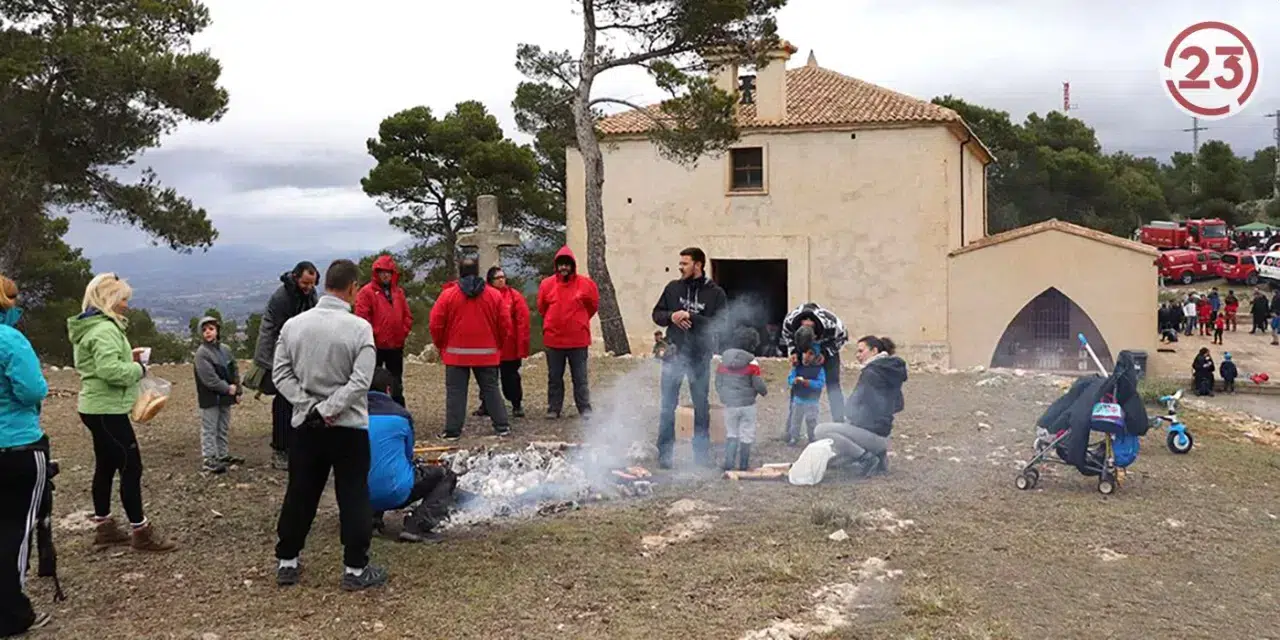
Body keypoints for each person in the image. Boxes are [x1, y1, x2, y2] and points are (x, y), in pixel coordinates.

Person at [271, 259, 386, 591]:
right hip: (348, 426)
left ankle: (287, 561)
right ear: (353, 288)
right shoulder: (359, 328)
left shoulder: (293, 326)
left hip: (306, 426)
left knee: (300, 493)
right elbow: (361, 381)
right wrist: (330, 409)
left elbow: (281, 374)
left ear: (325, 286)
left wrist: (309, 407)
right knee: (352, 495)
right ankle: (355, 568)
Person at [67, 273, 176, 552]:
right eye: (123, 299)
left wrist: (127, 359)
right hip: (108, 409)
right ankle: (141, 531)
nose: (127, 305)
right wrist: (139, 369)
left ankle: (105, 527)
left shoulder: (91, 327)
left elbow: (101, 365)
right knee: (131, 466)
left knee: (105, 465)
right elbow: (109, 371)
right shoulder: (104, 330)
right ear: (110, 299)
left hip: (95, 407)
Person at [0, 275, 53, 635]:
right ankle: (12, 612)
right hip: (19, 445)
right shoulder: (10, 340)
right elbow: (34, 389)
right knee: (16, 533)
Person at [652, 247, 727, 468]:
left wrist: (692, 316)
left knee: (701, 406)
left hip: (699, 356)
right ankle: (664, 453)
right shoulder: (673, 288)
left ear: (698, 265)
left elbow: (721, 324)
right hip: (673, 355)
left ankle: (701, 454)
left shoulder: (715, 293)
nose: (680, 267)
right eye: (680, 263)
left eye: (685, 264)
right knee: (667, 405)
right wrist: (672, 316)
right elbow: (657, 314)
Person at [366, 368, 458, 543]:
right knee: (445, 475)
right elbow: (407, 456)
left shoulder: (349, 415)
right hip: (394, 492)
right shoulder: (400, 415)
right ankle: (417, 526)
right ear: (388, 390)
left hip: (355, 494)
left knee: (370, 464)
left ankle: (370, 520)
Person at [429, 258, 512, 440]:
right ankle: (502, 426)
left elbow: (436, 323)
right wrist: (497, 344)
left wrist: (441, 345)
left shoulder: (448, 295)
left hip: (455, 353)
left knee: (456, 393)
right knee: (491, 389)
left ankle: (452, 431)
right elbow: (505, 324)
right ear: (478, 271)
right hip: (487, 352)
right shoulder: (494, 295)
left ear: (460, 272)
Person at [251, 262, 319, 470]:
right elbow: (283, 330)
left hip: (296, 351)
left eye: (312, 283)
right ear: (296, 277)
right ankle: (280, 448)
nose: (308, 286)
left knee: (299, 397)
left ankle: (296, 443)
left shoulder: (311, 295)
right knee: (283, 399)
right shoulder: (282, 297)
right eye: (305, 282)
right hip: (276, 351)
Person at [813, 336, 907, 477]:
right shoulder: (889, 371)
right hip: (883, 435)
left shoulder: (871, 373)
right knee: (835, 462)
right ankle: (878, 456)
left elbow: (857, 404)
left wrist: (851, 420)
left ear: (874, 351)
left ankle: (867, 459)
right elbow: (898, 405)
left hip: (872, 435)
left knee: (820, 430)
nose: (857, 355)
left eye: (861, 351)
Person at [537, 247, 599, 419]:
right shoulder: (546, 284)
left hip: (578, 340)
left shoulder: (586, 284)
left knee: (580, 378)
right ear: (556, 266)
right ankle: (554, 408)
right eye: (561, 264)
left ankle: (584, 407)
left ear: (573, 265)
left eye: (567, 264)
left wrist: (580, 322)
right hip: (554, 340)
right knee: (554, 377)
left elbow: (593, 306)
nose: (564, 267)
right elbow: (542, 307)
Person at [355, 254, 413, 407]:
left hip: (396, 344)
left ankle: (398, 409)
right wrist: (373, 336)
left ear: (393, 274)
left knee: (396, 380)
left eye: (388, 272)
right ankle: (373, 410)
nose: (385, 275)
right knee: (374, 380)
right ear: (376, 273)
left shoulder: (398, 292)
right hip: (376, 346)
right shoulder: (366, 292)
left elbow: (407, 315)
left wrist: (403, 332)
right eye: (382, 272)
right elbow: (362, 319)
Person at [473, 267, 530, 419]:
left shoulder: (514, 296)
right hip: (489, 345)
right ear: (490, 280)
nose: (501, 280)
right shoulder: (483, 296)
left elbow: (522, 321)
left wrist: (521, 345)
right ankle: (486, 404)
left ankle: (516, 404)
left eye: (503, 277)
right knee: (487, 378)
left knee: (510, 377)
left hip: (509, 347)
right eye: (497, 278)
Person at [780, 302, 848, 422]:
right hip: (801, 345)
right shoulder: (789, 322)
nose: (807, 356)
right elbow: (787, 336)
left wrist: (826, 353)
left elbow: (843, 337)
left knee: (833, 384)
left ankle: (839, 422)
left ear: (816, 335)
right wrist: (794, 352)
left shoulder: (832, 324)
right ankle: (791, 427)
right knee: (798, 383)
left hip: (828, 346)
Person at [193, 316, 243, 474]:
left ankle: (222, 455)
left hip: (226, 397)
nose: (208, 332)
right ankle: (209, 459)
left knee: (222, 427)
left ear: (217, 330)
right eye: (204, 330)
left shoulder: (226, 350)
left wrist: (238, 391)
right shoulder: (201, 354)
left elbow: (234, 370)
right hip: (210, 398)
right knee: (209, 428)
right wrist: (228, 389)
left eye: (211, 329)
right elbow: (209, 379)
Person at [714, 327, 768, 471]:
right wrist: (764, 391)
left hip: (730, 404)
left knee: (731, 432)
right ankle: (744, 465)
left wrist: (723, 396)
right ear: (753, 344)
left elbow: (718, 383)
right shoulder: (752, 362)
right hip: (747, 404)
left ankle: (729, 464)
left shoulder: (723, 361)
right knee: (747, 433)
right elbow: (757, 383)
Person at [786, 326, 827, 446]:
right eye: (805, 353)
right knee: (795, 420)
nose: (807, 356)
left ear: (816, 356)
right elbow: (790, 378)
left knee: (811, 421)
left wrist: (807, 382)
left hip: (812, 401)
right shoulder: (797, 366)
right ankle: (794, 437)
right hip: (798, 399)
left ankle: (812, 437)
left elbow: (820, 383)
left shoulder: (819, 369)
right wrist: (794, 381)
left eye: (811, 354)